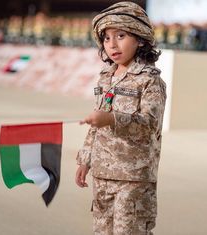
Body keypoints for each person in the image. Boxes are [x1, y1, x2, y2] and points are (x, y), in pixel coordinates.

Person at [75, 1, 166, 234]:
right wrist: (85, 159)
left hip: (133, 179)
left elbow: (150, 125)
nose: (112, 44)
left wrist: (112, 119)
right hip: (103, 175)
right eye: (106, 38)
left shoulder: (149, 80)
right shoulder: (106, 77)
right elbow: (96, 124)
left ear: (140, 39)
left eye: (121, 35)